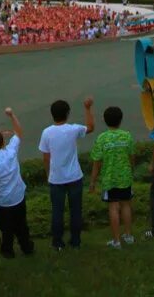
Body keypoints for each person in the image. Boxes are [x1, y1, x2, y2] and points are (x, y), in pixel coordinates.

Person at [39, 97, 95, 250]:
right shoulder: (73, 129)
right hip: (74, 177)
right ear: (68, 113)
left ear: (52, 114)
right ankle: (76, 241)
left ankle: (57, 243)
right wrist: (88, 108)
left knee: (57, 212)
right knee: (75, 211)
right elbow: (90, 127)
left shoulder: (47, 133)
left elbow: (46, 157)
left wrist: (48, 174)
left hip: (56, 179)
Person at [0, 107, 34, 259]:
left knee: (6, 229)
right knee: (22, 226)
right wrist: (12, 115)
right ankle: (27, 247)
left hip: (3, 203)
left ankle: (8, 251)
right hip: (18, 197)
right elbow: (18, 132)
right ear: (4, 142)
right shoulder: (11, 152)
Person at [89, 106, 135, 249]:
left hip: (109, 180)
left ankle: (116, 241)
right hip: (125, 178)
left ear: (104, 120)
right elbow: (132, 157)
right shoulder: (127, 136)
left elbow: (97, 163)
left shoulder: (102, 138)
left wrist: (92, 182)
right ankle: (128, 235)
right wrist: (130, 170)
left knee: (113, 207)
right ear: (121, 120)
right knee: (126, 205)